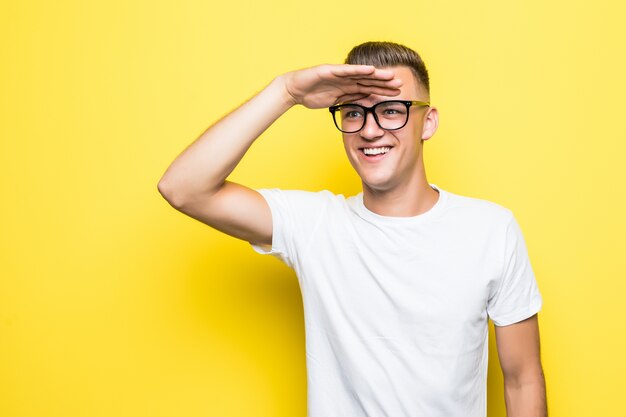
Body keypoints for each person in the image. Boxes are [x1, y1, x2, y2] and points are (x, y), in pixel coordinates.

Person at [157, 41, 547, 417]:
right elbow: (183, 188)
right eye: (353, 112)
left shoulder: (491, 229)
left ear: (428, 123)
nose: (370, 130)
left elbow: (522, 379)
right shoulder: (315, 225)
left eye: (391, 110)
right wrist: (286, 91)